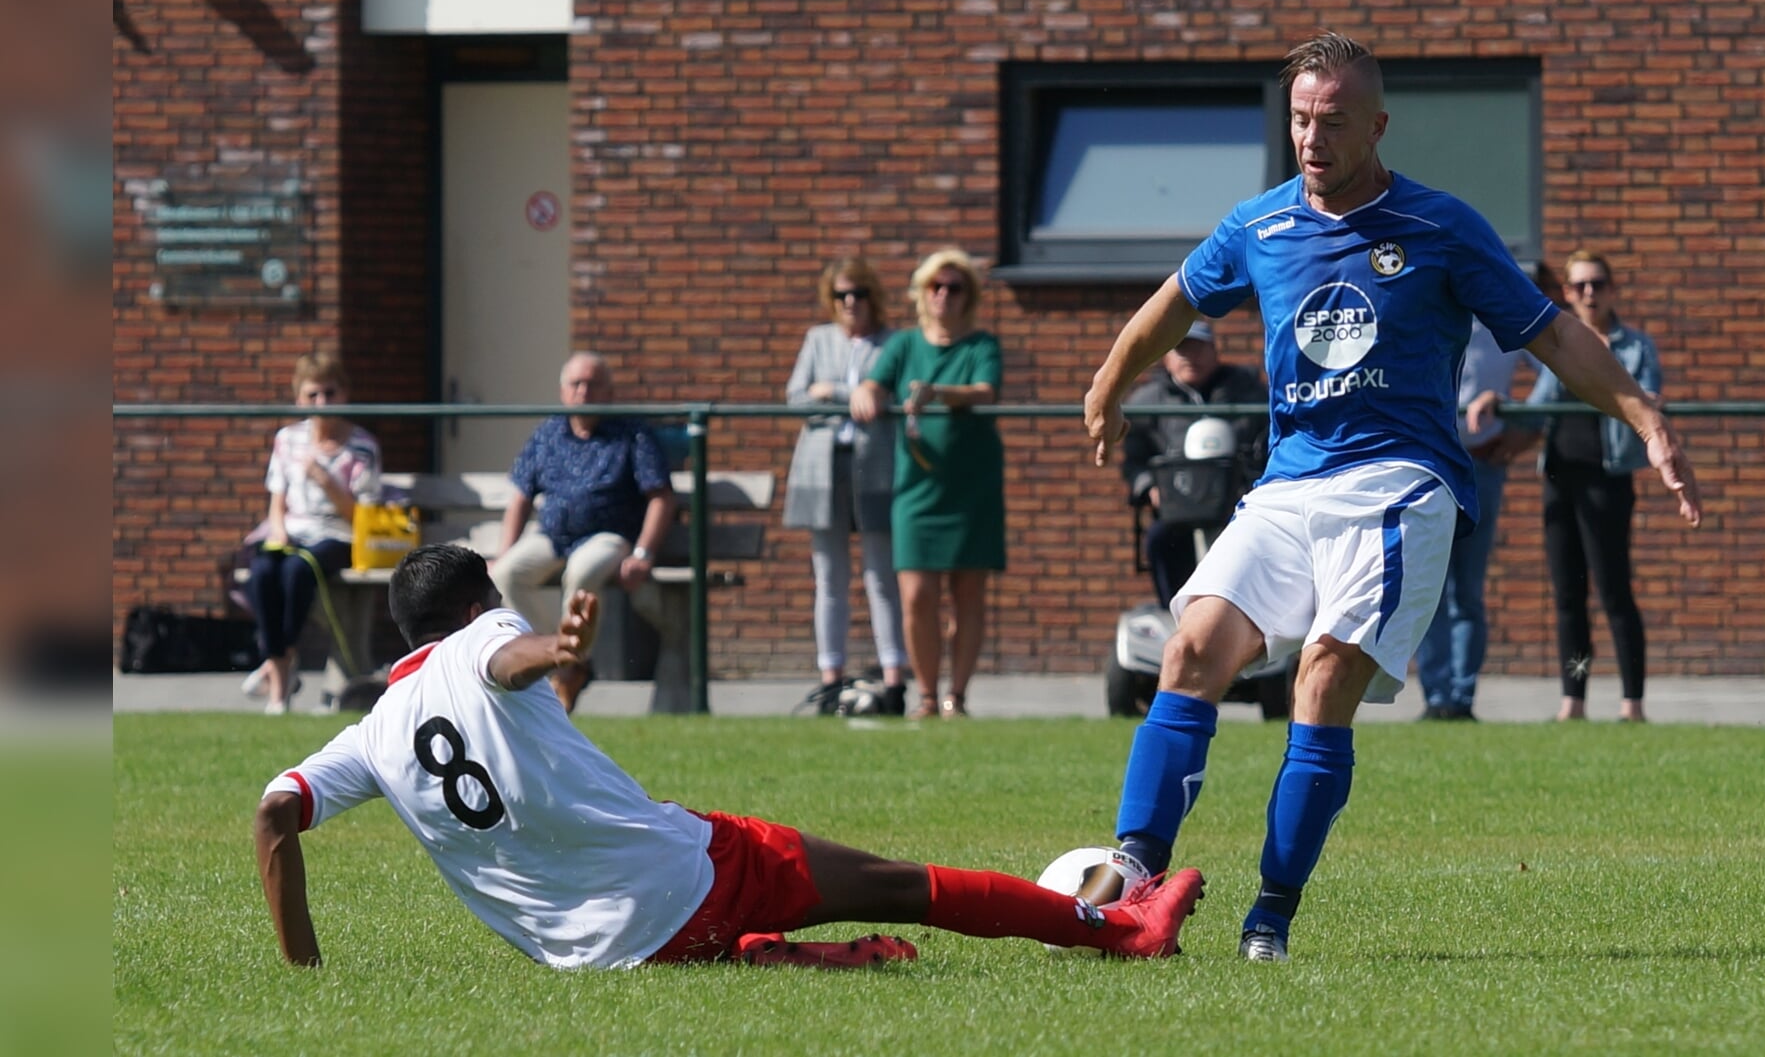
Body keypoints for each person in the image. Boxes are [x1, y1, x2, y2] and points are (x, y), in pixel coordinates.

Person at [1080, 33, 1701, 963]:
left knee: (1321, 675)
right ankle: (1134, 873)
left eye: (1333, 121)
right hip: (1290, 483)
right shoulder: (1260, 225)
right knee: (1189, 648)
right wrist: (1108, 384)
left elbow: (1551, 336)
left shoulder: (1443, 226)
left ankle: (1269, 917)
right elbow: (1173, 301)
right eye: (1299, 118)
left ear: (1376, 125)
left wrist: (1644, 414)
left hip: (1401, 484)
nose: (1312, 139)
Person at [252, 544, 1204, 970]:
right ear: (472, 604)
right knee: (904, 883)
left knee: (748, 909)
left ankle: (774, 956)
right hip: (687, 882)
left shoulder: (371, 732)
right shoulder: (483, 635)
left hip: (590, 958)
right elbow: (508, 658)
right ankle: (1122, 930)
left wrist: (303, 971)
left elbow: (273, 813)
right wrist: (561, 644)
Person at [1500, 250, 1665, 724]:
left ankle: (1632, 702)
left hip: (1608, 480)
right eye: (1578, 286)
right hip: (1559, 479)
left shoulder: (1634, 347)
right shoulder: (1557, 344)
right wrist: (1498, 407)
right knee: (1568, 594)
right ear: (1567, 293)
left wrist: (1632, 393)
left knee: (1614, 592)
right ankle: (1573, 698)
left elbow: (1647, 401)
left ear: (1612, 290)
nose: (1588, 293)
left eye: (1597, 284)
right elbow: (1536, 408)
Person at [850, 249, 1005, 721]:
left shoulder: (981, 345)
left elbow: (985, 390)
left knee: (968, 595)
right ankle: (924, 695)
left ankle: (955, 696)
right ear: (921, 293)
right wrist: (866, 392)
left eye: (954, 287)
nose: (943, 295)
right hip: (917, 488)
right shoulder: (903, 344)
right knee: (916, 595)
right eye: (935, 286)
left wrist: (939, 393)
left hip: (971, 486)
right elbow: (876, 383)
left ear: (968, 297)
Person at [490, 352, 675, 714]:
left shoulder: (632, 433)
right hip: (552, 536)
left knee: (582, 571)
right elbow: (521, 498)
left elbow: (661, 497)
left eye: (593, 384)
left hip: (610, 535)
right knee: (506, 574)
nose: (583, 391)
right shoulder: (548, 433)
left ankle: (568, 664)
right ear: (563, 391)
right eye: (576, 384)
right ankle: (563, 659)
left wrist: (643, 554)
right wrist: (504, 550)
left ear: (609, 391)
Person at [1411, 263, 1556, 721]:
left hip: (1480, 464)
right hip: (1425, 462)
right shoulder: (1422, 311)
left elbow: (1555, 365)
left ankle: (1462, 696)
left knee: (1467, 590)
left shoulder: (1504, 319)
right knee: (1429, 586)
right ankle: (1435, 696)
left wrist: (1521, 420)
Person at [782, 258, 909, 715]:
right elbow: (796, 396)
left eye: (859, 293)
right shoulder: (818, 339)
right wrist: (842, 395)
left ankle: (894, 677)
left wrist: (834, 393)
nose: (851, 303)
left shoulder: (893, 343)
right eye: (842, 295)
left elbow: (895, 395)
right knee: (829, 576)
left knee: (881, 574)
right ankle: (830, 677)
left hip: (874, 465)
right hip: (822, 464)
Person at [242, 352, 381, 715]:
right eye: (313, 395)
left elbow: (362, 517)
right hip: (293, 529)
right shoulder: (287, 440)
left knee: (296, 572)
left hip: (339, 534)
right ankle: (281, 668)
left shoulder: (363, 446)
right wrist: (277, 532)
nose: (322, 403)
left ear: (344, 394)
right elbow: (277, 499)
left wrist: (328, 482)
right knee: (260, 574)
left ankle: (279, 671)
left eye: (330, 393)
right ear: (299, 399)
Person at [1119, 320, 1269, 609]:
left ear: (1214, 350)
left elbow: (1270, 444)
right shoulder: (1147, 401)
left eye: (1198, 348)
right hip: (1179, 509)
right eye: (1181, 349)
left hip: (1239, 506)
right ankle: (1176, 613)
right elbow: (1134, 460)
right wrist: (1149, 487)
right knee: (1160, 540)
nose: (1190, 357)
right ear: (1166, 356)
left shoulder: (1249, 392)